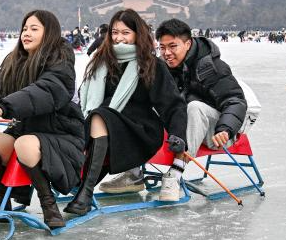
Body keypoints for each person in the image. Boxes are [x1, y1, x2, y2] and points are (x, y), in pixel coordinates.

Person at [0, 10, 84, 228]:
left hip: (61, 136)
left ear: (49, 33)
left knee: (25, 143)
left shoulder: (61, 63)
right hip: (27, 131)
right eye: (24, 28)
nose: (26, 33)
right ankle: (0, 201)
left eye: (34, 28)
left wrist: (3, 108)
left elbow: (43, 91)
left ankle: (48, 204)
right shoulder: (16, 62)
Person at [101, 18, 252, 197]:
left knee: (195, 107)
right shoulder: (162, 67)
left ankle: (176, 172)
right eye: (162, 47)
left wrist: (225, 129)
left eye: (173, 46)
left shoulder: (211, 68)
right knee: (139, 105)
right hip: (183, 127)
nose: (167, 53)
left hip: (217, 131)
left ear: (188, 43)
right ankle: (133, 173)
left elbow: (235, 100)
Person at [66, 9, 188, 214]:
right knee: (96, 117)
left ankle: (85, 193)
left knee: (99, 117)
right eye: (115, 32)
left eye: (125, 33)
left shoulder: (151, 64)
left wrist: (178, 135)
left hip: (140, 129)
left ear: (137, 34)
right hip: (106, 123)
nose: (118, 38)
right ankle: (79, 184)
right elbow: (84, 96)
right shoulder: (101, 61)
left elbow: (173, 104)